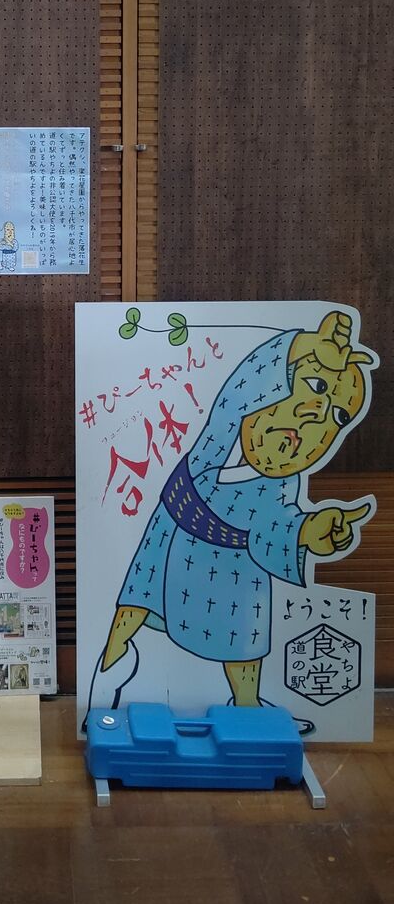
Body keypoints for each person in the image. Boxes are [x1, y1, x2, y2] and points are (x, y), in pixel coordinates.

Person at [93, 311, 374, 727]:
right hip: (175, 532)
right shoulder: (227, 429)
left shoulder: (283, 482)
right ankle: (104, 689)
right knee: (133, 609)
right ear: (279, 381)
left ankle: (247, 706)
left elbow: (279, 525)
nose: (318, 411)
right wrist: (305, 345)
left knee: (246, 635)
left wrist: (311, 531)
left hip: (237, 563)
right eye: (316, 386)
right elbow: (247, 378)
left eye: (338, 416)